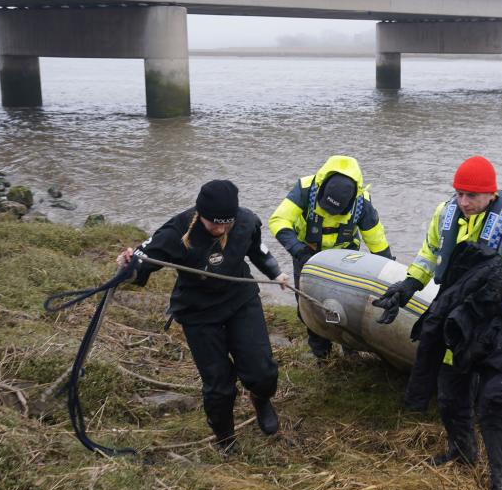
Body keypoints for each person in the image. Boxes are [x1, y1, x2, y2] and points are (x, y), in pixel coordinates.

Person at [372, 155, 502, 490]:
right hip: (457, 319)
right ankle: (461, 453)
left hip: (500, 326)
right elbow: (430, 255)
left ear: (491, 195)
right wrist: (408, 285)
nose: (463, 202)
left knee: (495, 406)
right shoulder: (445, 216)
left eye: (472, 196)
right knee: (450, 393)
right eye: (459, 193)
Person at [116, 179, 289, 451]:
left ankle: (261, 399)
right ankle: (225, 438)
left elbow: (257, 250)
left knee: (262, 371)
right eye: (213, 224)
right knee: (219, 384)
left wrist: (276, 273)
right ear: (200, 214)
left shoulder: (245, 221)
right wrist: (129, 266)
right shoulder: (177, 230)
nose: (220, 229)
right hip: (198, 311)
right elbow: (142, 261)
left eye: (226, 224)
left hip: (239, 301)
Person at [269, 155, 392, 360]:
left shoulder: (363, 205)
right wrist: (297, 249)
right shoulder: (305, 188)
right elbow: (279, 219)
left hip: (346, 258)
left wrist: (390, 276)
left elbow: (377, 242)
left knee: (348, 305)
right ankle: (321, 354)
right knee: (307, 306)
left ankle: (350, 348)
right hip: (306, 253)